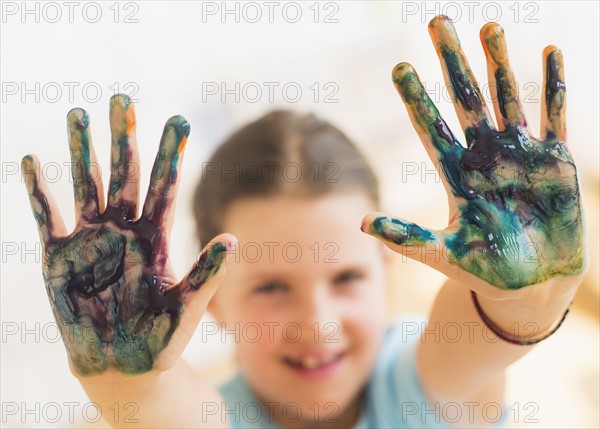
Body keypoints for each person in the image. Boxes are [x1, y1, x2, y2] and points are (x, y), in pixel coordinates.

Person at [21, 15, 586, 428]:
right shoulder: (217, 414)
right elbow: (161, 411)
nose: (318, 325)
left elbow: (476, 347)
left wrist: (527, 302)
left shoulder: (417, 387)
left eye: (346, 279)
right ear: (208, 299)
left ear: (387, 273)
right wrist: (127, 384)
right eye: (271, 286)